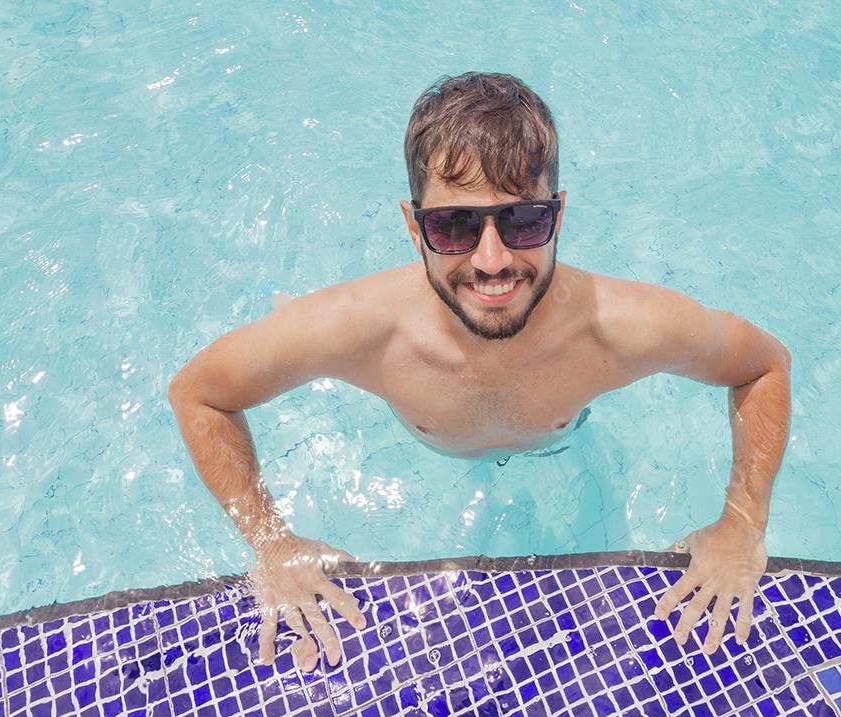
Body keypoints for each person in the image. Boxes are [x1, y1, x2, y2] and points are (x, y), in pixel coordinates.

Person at [168, 71, 791, 673]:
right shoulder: (356, 329)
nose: (492, 261)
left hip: (567, 450)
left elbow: (764, 365)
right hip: (415, 470)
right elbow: (199, 394)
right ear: (414, 227)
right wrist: (271, 542)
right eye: (455, 225)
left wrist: (741, 524)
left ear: (559, 215)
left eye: (524, 222)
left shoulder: (621, 327)